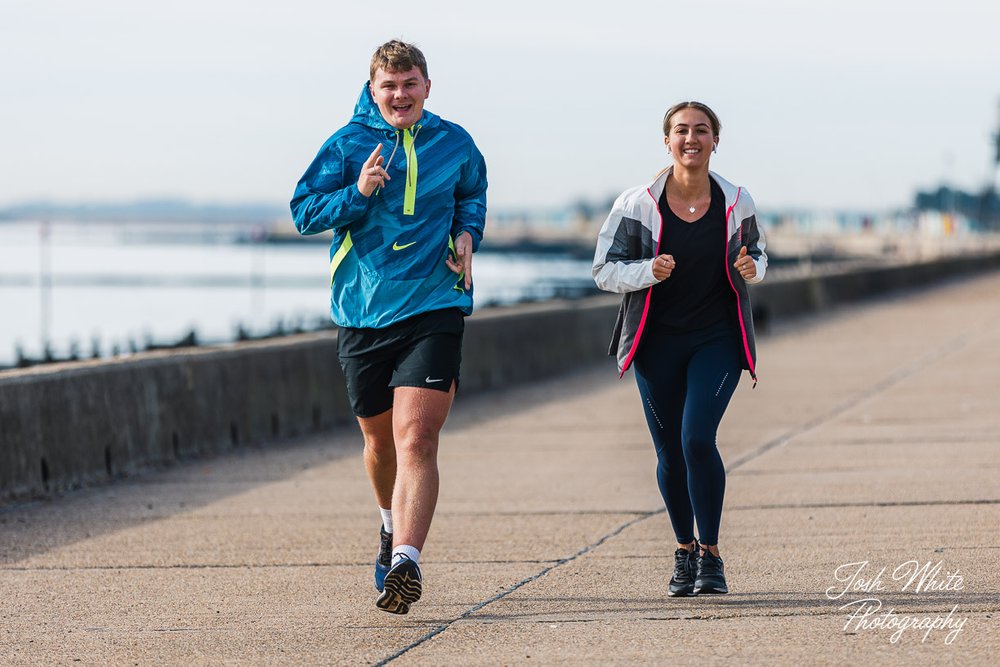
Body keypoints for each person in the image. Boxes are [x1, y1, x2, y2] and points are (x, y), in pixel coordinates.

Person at [290, 39, 487, 615]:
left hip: (435, 304)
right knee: (379, 443)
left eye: (410, 84)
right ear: (374, 90)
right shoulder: (348, 144)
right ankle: (387, 524)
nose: (400, 95)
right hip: (363, 312)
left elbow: (471, 196)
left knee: (417, 439)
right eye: (389, 86)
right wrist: (358, 192)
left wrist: (469, 234)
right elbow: (304, 211)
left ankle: (405, 559)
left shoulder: (455, 143)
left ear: (427, 86)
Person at [592, 101, 766, 596]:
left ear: (716, 140)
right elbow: (604, 270)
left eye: (702, 131)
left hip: (718, 338)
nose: (691, 139)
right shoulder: (637, 203)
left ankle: (711, 555)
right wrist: (650, 270)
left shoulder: (737, 200)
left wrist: (756, 267)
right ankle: (684, 551)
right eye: (682, 131)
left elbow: (757, 252)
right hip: (656, 342)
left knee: (696, 439)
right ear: (666, 141)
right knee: (669, 451)